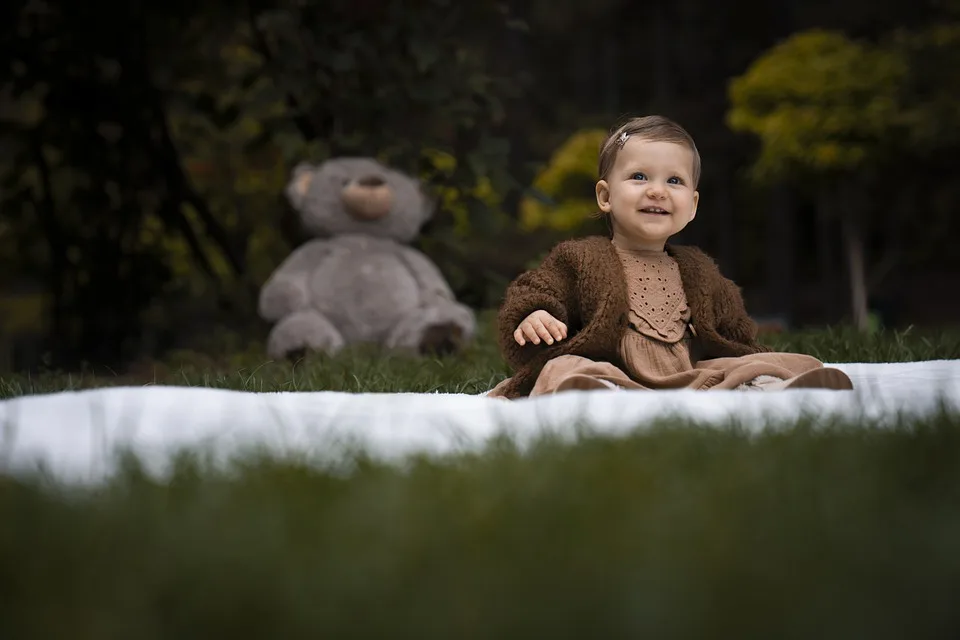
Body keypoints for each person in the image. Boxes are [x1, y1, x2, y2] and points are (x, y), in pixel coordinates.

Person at [488, 115, 853, 399]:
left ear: (692, 205)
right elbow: (536, 290)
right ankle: (596, 397)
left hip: (692, 375)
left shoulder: (698, 269)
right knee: (567, 367)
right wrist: (534, 314)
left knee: (766, 364)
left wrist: (749, 357)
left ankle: (773, 390)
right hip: (615, 371)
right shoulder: (581, 258)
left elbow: (734, 329)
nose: (657, 191)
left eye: (674, 181)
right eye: (640, 176)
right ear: (605, 196)